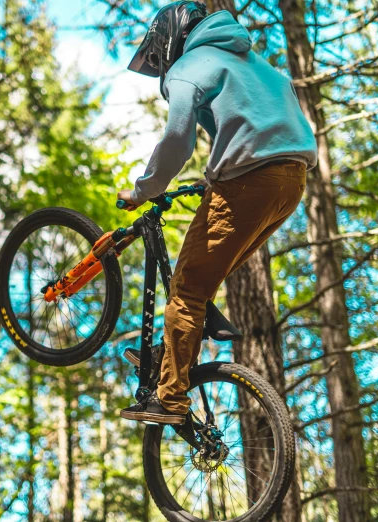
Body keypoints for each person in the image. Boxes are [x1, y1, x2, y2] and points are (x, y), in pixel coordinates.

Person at [117, 1, 318, 425]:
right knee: (207, 273)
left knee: (187, 288)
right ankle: (176, 346)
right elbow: (260, 121)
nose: (161, 67)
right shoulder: (256, 63)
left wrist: (145, 189)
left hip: (248, 181)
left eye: (158, 57)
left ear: (170, 37)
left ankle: (169, 398)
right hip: (291, 180)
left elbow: (177, 139)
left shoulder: (190, 65)